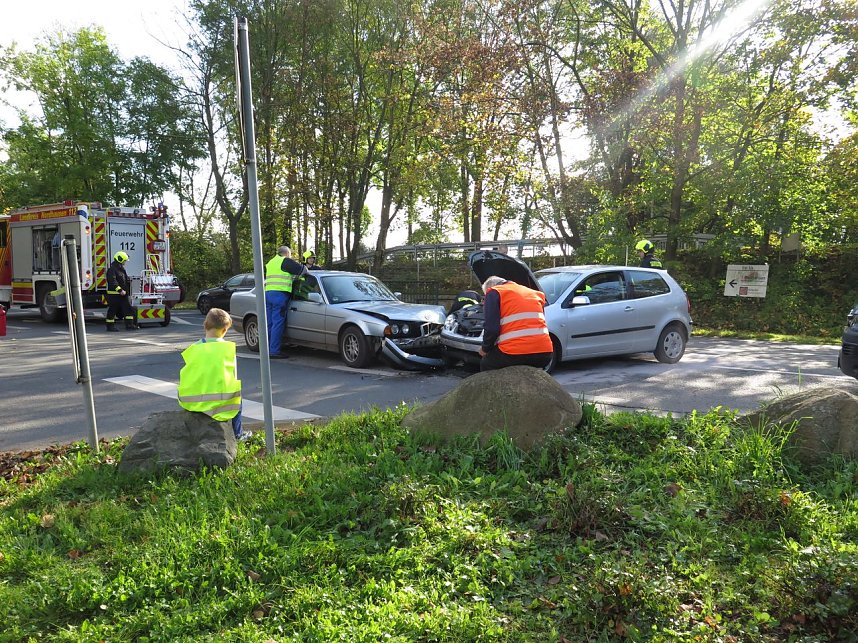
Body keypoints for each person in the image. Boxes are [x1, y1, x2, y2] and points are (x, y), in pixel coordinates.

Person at [177, 308, 250, 442]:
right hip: (220, 400)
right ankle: (237, 434)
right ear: (225, 330)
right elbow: (233, 376)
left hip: (190, 400)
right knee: (238, 400)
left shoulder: (193, 348)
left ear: (205, 325)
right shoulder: (227, 349)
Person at [478, 275, 553, 371]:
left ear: (490, 287)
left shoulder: (494, 292)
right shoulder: (535, 293)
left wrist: (485, 349)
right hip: (545, 354)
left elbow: (491, 329)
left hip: (514, 353)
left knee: (486, 363)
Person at [265, 246, 308, 358]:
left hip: (268, 294)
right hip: (279, 295)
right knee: (277, 323)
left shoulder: (271, 262)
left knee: (269, 323)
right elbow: (303, 270)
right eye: (290, 254)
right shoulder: (285, 261)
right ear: (287, 254)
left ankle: (267, 349)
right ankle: (274, 351)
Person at [105, 251, 138, 331]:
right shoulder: (112, 270)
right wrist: (120, 290)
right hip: (114, 295)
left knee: (128, 309)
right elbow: (113, 282)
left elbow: (125, 280)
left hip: (123, 295)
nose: (125, 262)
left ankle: (129, 325)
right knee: (112, 310)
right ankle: (110, 326)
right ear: (120, 260)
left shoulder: (121, 269)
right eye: (124, 261)